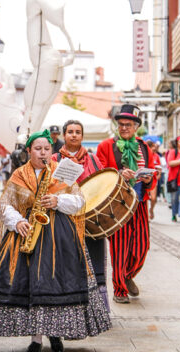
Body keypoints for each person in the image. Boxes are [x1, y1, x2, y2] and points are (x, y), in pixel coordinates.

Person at [0, 129, 111, 352]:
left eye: (46, 149)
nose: (42, 153)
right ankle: (36, 339)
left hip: (59, 236)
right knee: (32, 286)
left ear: (52, 151)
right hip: (27, 234)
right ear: (29, 151)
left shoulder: (62, 172)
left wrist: (57, 200)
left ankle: (56, 334)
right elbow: (5, 205)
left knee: (57, 283)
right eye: (37, 149)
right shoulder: (19, 174)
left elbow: (79, 202)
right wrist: (17, 221)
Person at [96, 104, 155, 304]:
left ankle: (128, 275)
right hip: (117, 206)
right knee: (120, 248)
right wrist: (119, 173)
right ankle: (119, 288)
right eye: (120, 124)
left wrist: (148, 179)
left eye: (128, 125)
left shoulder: (144, 146)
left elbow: (153, 171)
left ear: (136, 126)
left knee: (142, 246)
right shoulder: (106, 146)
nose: (124, 128)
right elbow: (101, 172)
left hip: (139, 202)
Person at [51, 120, 109, 309]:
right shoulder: (53, 160)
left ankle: (98, 309)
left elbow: (102, 185)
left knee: (95, 262)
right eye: (70, 132)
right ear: (64, 135)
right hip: (65, 220)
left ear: (82, 136)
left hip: (92, 220)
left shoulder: (93, 159)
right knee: (68, 263)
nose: (74, 135)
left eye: (77, 132)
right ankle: (71, 308)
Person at [146, 140, 163, 220]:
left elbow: (159, 167)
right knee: (145, 198)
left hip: (154, 179)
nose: (154, 149)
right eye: (153, 147)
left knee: (153, 198)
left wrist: (159, 174)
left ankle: (151, 210)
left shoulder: (156, 156)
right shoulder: (144, 155)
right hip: (144, 179)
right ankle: (146, 215)